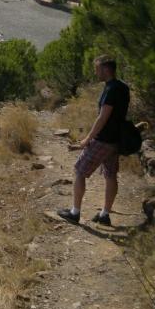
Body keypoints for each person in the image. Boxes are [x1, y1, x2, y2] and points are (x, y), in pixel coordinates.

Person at [57, 55, 130, 226]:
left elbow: (103, 117)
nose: (95, 72)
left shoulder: (111, 89)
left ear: (106, 69)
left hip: (103, 139)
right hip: (115, 141)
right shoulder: (123, 87)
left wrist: (87, 139)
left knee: (80, 171)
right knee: (111, 175)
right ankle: (104, 214)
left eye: (97, 68)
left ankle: (74, 212)